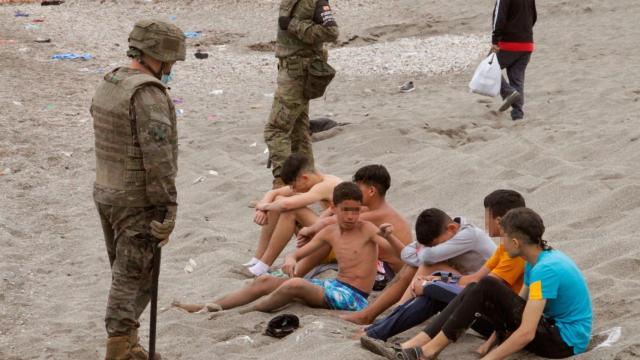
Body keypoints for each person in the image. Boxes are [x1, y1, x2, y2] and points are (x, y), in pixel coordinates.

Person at [91, 20, 185, 359]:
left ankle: (129, 345)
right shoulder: (147, 93)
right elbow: (158, 159)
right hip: (137, 201)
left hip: (107, 191)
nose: (171, 68)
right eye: (170, 61)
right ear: (157, 54)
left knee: (124, 272)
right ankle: (119, 347)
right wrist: (167, 206)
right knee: (133, 278)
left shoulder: (111, 81)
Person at [391, 208, 592, 360]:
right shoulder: (537, 259)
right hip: (551, 327)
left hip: (565, 343)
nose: (501, 244)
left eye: (504, 237)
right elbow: (516, 307)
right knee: (476, 288)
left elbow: (526, 332)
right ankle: (428, 347)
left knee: (487, 284)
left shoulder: (544, 270)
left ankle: (428, 350)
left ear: (515, 243)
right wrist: (488, 345)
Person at [173, 182, 387, 313]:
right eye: (346, 210)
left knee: (295, 285)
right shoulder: (330, 231)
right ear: (334, 208)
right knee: (266, 279)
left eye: (355, 211)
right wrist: (291, 259)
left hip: (354, 297)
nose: (351, 216)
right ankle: (209, 306)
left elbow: (393, 250)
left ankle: (248, 310)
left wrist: (389, 236)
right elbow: (298, 252)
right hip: (334, 285)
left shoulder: (367, 228)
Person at [361, 189, 526, 347]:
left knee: (432, 289)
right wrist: (440, 279)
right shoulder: (503, 248)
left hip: (497, 320)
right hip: (483, 305)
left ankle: (381, 330)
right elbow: (474, 280)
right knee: (433, 294)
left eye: (487, 215)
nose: (485, 221)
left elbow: (483, 286)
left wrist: (434, 284)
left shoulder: (516, 254)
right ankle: (378, 331)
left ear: (499, 220)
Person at [265, 0, 339, 188]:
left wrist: (293, 25)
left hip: (298, 72)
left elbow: (331, 32)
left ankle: (283, 185)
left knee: (276, 130)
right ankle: (307, 183)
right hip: (291, 70)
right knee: (299, 131)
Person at [295, 164, 412, 278]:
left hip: (386, 271)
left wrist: (309, 230)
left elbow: (330, 221)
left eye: (358, 187)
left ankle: (295, 273)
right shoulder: (376, 208)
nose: (355, 191)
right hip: (380, 263)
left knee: (330, 236)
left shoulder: (379, 214)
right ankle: (296, 269)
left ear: (371, 191)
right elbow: (333, 211)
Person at [240, 153, 342, 277]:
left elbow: (286, 205)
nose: (293, 190)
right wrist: (263, 208)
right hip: (326, 235)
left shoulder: (326, 185)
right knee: (278, 199)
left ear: (304, 178)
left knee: (290, 210)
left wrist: (264, 206)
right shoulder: (317, 181)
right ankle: (258, 259)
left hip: (337, 243)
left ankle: (263, 265)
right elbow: (274, 192)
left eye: (294, 186)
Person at [491, 0, 537, 120]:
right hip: (527, 43)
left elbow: (499, 18)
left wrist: (495, 41)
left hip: (509, 43)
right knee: (517, 79)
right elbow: (534, 17)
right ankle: (517, 114)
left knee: (489, 67)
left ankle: (508, 92)